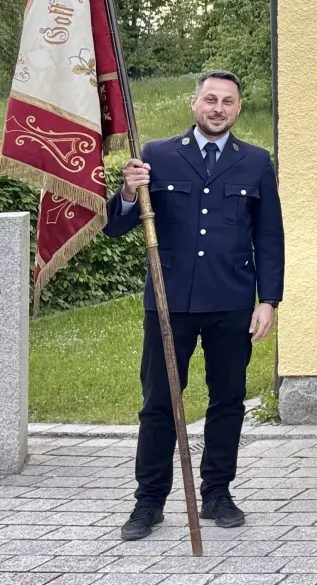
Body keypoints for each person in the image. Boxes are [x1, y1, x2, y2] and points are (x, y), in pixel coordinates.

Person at [109, 71, 284, 541]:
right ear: (195, 103)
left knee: (228, 400)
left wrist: (268, 300)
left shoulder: (255, 161)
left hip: (231, 300)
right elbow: (117, 226)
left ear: (238, 108)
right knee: (160, 402)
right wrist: (128, 192)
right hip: (170, 301)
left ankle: (217, 494)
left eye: (227, 101)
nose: (218, 108)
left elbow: (269, 236)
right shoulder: (157, 155)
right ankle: (149, 502)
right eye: (210, 99)